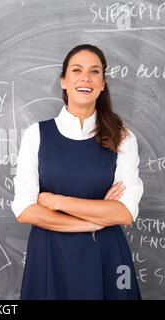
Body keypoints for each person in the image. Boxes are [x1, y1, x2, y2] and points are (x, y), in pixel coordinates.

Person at [11, 44, 144, 300]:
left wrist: (57, 201)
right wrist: (94, 221)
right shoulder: (36, 135)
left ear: (102, 84)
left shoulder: (123, 138)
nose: (86, 77)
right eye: (77, 70)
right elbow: (25, 210)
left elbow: (124, 213)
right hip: (50, 256)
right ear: (64, 81)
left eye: (95, 71)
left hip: (107, 257)